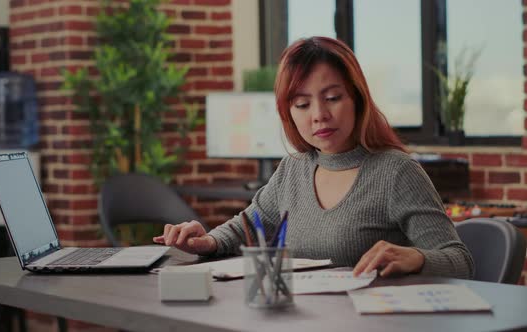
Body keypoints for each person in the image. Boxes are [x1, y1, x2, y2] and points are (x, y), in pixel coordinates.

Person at [153, 36, 474, 279]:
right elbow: (246, 228)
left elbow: (460, 260)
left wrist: (417, 257)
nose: (319, 115)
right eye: (302, 104)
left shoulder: (396, 172)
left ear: (357, 99)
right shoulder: (293, 168)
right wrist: (206, 241)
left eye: (332, 98)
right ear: (288, 113)